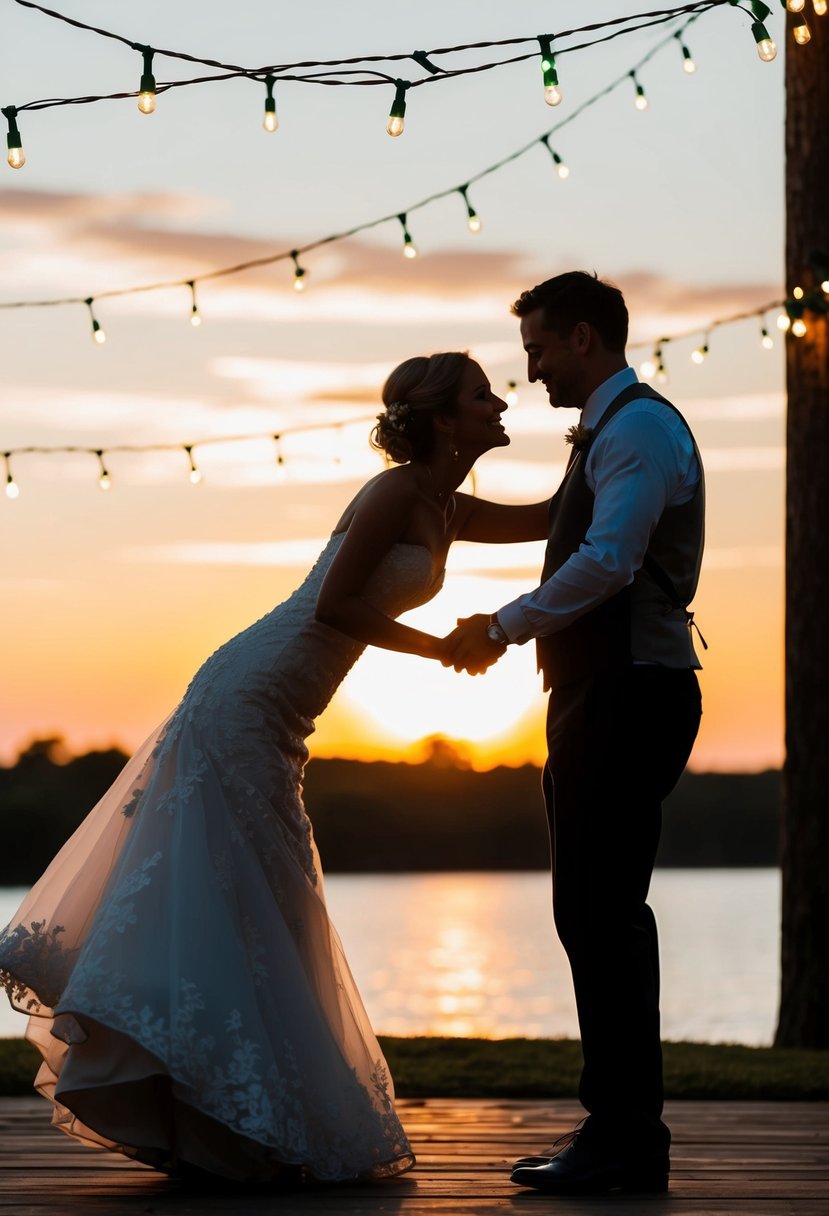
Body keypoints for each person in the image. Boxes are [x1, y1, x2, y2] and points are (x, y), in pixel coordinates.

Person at [0, 350, 550, 1187]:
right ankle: (209, 1110)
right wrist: (437, 647)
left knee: (267, 898)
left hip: (287, 710)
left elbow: (548, 517)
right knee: (237, 890)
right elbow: (335, 604)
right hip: (248, 692)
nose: (499, 401)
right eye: (482, 396)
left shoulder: (446, 505)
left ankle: (231, 1114)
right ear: (443, 419)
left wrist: (604, 448)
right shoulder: (396, 491)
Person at [446, 272, 705, 1196]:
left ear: (585, 338)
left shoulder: (634, 429)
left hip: (628, 691)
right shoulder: (613, 430)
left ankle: (626, 1139)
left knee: (602, 914)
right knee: (589, 912)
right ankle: (620, 1130)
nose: (532, 369)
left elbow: (609, 560)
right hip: (600, 689)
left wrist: (501, 626)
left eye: (540, 350)